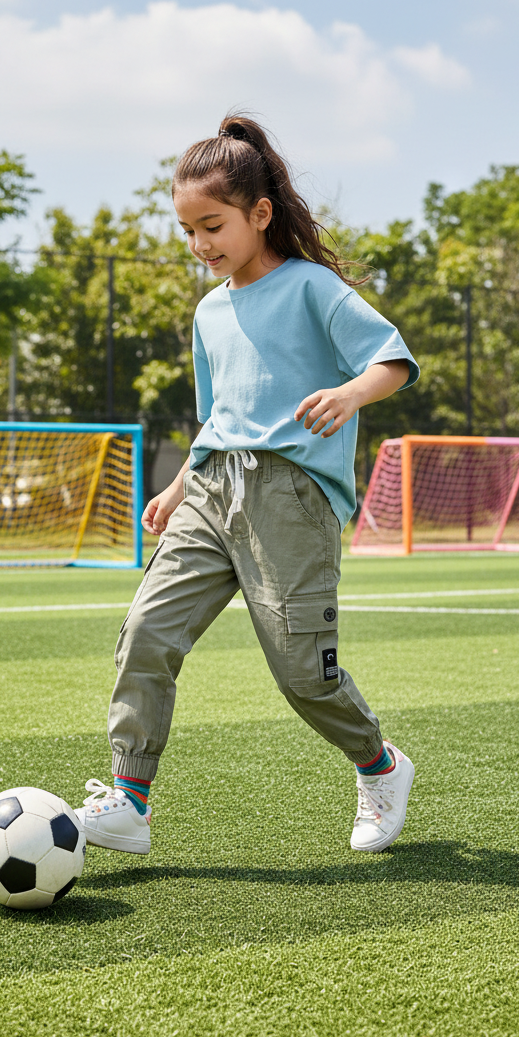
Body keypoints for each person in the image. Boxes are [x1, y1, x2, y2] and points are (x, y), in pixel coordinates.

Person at [77, 114, 419, 857]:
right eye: (188, 231)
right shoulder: (208, 312)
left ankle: (380, 765)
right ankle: (128, 800)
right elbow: (221, 417)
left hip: (289, 499)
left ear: (259, 214)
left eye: (213, 225)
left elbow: (390, 359)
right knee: (145, 632)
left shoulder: (311, 288)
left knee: (303, 674)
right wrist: (178, 486)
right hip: (209, 493)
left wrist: (349, 395)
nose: (201, 246)